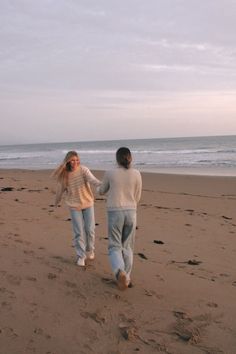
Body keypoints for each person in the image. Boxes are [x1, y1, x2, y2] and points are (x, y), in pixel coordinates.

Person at [97, 147, 142, 290]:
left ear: (117, 159)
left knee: (115, 245)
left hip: (115, 211)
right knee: (127, 246)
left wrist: (97, 187)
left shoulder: (110, 173)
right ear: (130, 158)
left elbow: (101, 191)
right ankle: (127, 277)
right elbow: (138, 196)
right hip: (131, 211)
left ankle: (119, 272)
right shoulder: (136, 173)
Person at [53, 151, 101, 266]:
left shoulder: (83, 170)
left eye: (77, 160)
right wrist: (56, 202)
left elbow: (93, 180)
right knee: (78, 232)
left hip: (88, 203)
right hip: (74, 206)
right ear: (68, 161)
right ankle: (81, 256)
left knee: (90, 230)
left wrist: (104, 185)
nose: (75, 162)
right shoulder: (65, 175)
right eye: (73, 160)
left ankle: (90, 249)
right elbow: (60, 190)